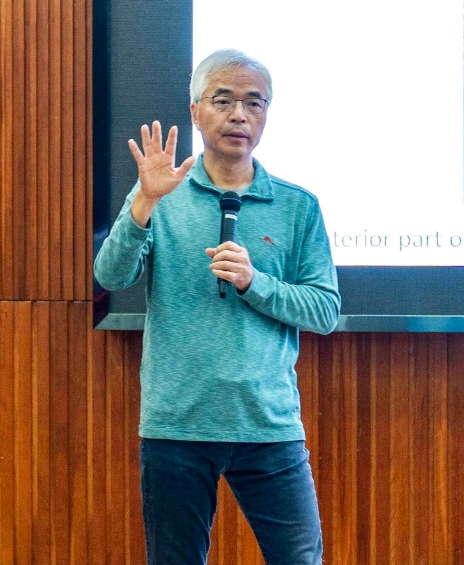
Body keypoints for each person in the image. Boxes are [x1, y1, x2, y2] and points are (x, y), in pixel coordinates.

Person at [94, 49, 340, 565]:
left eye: (254, 103)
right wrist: (143, 204)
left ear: (266, 115)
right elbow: (110, 276)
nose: (239, 115)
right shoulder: (160, 194)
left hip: (268, 424)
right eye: (223, 100)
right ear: (195, 111)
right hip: (177, 423)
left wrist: (256, 283)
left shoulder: (298, 205)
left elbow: (323, 310)